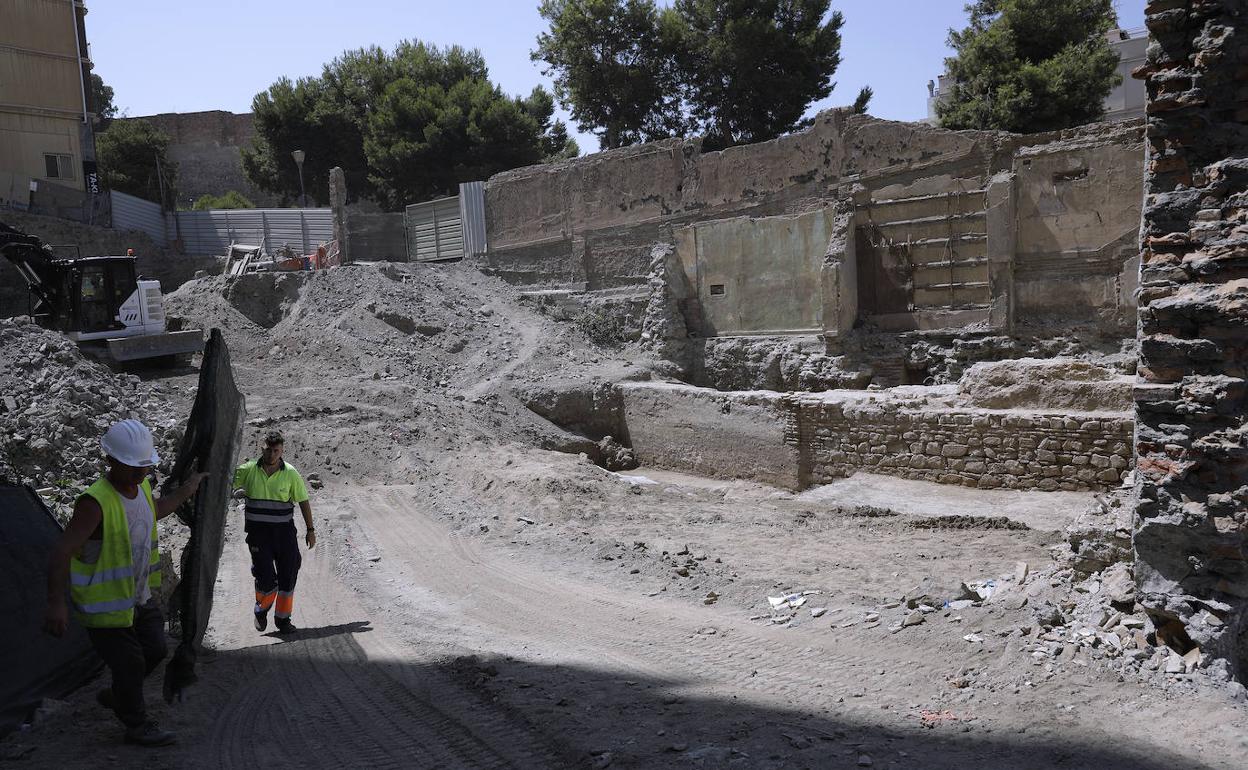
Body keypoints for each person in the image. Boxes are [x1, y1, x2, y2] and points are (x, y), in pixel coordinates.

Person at [43, 419, 208, 747]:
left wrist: (187, 490)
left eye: (144, 466)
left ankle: (120, 694)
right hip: (105, 607)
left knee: (156, 649)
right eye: (132, 467)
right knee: (131, 662)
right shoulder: (94, 503)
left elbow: (154, 509)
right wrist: (56, 603)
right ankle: (136, 723)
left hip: (137, 597)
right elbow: (62, 551)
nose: (139, 473)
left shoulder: (142, 486)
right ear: (110, 460)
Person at [232, 431, 315, 635]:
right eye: (268, 450)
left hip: (284, 534)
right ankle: (261, 610)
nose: (271, 454)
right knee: (266, 578)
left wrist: (310, 530)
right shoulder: (247, 470)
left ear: (282, 451)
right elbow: (222, 484)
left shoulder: (291, 473)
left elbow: (303, 501)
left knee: (289, 574)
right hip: (258, 536)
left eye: (276, 451)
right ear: (261, 448)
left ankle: (283, 620)